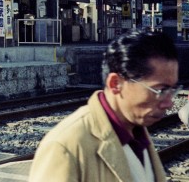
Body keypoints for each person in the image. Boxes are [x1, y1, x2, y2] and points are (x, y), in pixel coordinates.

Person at [29, 30, 180, 182]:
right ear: (116, 84)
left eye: (172, 90)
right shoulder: (65, 146)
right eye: (160, 90)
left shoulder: (137, 130)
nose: (169, 103)